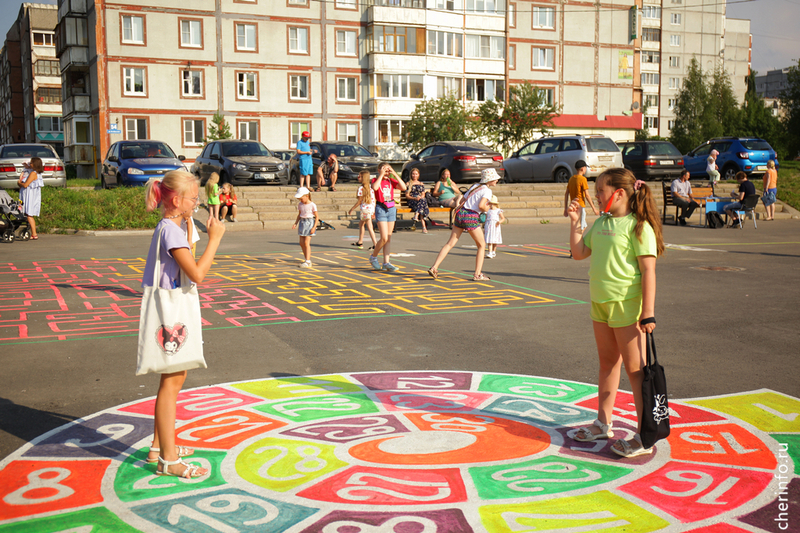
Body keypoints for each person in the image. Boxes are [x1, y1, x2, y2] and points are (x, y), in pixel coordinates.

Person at [567, 168, 664, 459]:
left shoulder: (639, 226)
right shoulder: (602, 223)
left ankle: (645, 435)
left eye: (601, 190)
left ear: (619, 193)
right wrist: (575, 224)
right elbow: (578, 253)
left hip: (627, 306)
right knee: (608, 363)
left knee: (637, 372)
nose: (596, 195)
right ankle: (602, 423)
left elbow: (649, 271)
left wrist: (648, 313)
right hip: (601, 303)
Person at [142, 170, 225, 477]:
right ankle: (168, 460)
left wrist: (189, 223)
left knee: (173, 378)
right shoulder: (170, 231)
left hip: (170, 310)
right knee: (171, 382)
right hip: (171, 314)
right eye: (193, 198)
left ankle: (159, 446)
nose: (198, 203)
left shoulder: (170, 225)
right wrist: (215, 240)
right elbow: (197, 273)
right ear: (176, 200)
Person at [427, 168, 499, 282]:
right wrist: (488, 207)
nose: (497, 180)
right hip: (471, 216)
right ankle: (477, 274)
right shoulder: (487, 191)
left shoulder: (475, 186)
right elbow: (481, 206)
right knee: (481, 245)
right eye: (495, 179)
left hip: (461, 213)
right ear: (490, 179)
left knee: (450, 243)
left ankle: (434, 267)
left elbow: (462, 200)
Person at [369, 163, 407, 272]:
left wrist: (394, 173)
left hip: (391, 208)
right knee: (384, 237)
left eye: (388, 170)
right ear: (379, 170)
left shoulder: (391, 181)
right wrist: (381, 174)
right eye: (384, 170)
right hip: (381, 208)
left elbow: (403, 187)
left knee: (388, 238)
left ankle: (386, 262)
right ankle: (373, 257)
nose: (386, 172)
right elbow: (375, 187)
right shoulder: (376, 180)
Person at [563, 160, 599, 232]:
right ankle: (578, 241)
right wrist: (594, 208)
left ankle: (577, 239)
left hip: (573, 206)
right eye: (586, 168)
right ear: (583, 169)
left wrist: (565, 208)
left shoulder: (571, 179)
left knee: (578, 224)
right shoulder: (583, 179)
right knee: (581, 226)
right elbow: (587, 195)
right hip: (580, 205)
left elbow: (566, 193)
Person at [348, 170, 377, 249]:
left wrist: (352, 209)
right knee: (361, 224)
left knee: (369, 227)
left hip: (365, 210)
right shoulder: (371, 188)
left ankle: (375, 244)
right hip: (370, 209)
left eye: (359, 176)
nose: (358, 178)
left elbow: (359, 201)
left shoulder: (361, 188)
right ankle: (360, 241)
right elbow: (374, 200)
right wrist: (373, 211)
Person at [17, 157, 44, 240]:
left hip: (30, 196)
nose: (30, 164)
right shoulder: (34, 173)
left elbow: (25, 185)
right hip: (30, 194)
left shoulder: (33, 173)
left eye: (31, 163)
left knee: (29, 214)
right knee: (27, 214)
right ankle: (32, 232)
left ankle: (34, 234)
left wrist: (19, 183)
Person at [292, 187, 318, 267]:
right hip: (302, 223)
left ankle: (308, 261)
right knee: (301, 243)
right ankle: (306, 258)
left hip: (309, 223)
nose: (300, 200)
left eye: (301, 198)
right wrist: (296, 223)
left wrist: (314, 227)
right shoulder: (300, 204)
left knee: (306, 243)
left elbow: (317, 217)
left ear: (307, 196)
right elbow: (299, 214)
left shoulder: (312, 205)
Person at [406, 168, 429, 233]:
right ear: (411, 175)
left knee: (422, 202)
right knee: (422, 205)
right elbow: (407, 196)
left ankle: (416, 215)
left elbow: (423, 194)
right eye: (413, 174)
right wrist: (414, 198)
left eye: (416, 174)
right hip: (412, 200)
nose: (414, 175)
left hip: (420, 200)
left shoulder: (421, 183)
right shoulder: (408, 183)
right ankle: (424, 227)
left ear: (418, 175)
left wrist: (420, 197)